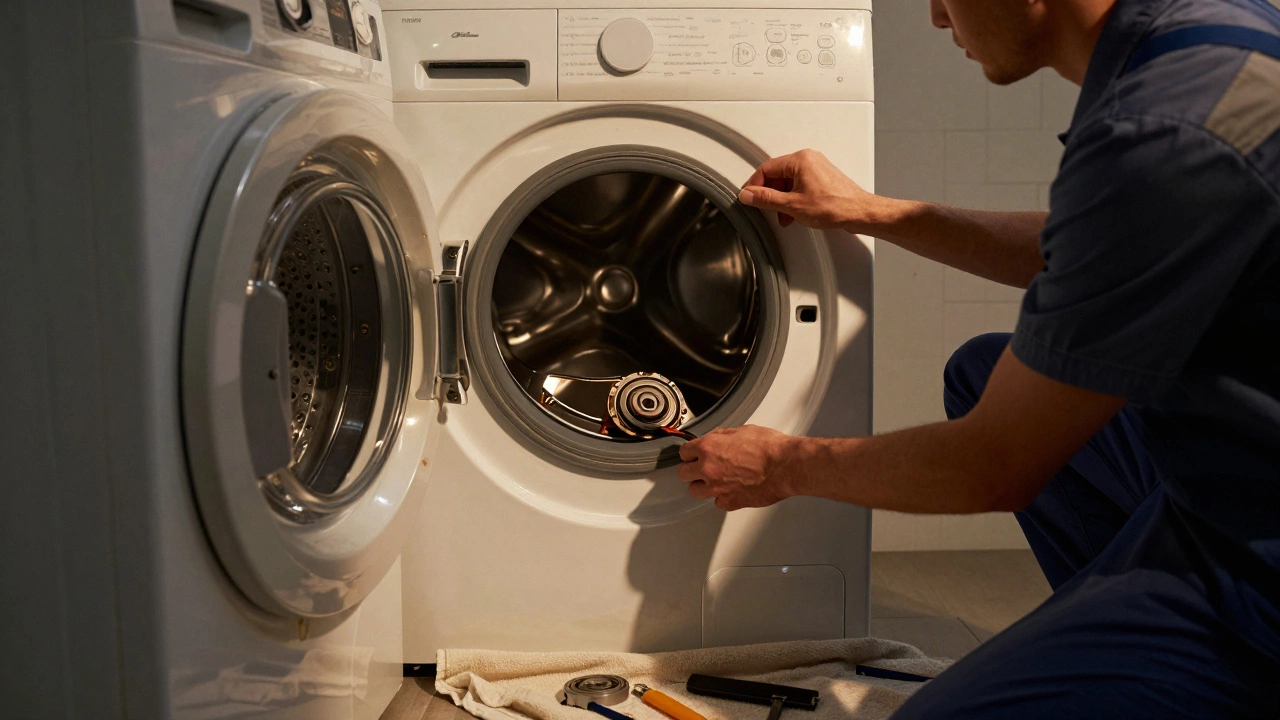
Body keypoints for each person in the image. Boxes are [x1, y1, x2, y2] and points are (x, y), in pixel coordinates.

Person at [677, 0, 1280, 715]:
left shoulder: (1160, 131)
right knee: (982, 369)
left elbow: (992, 466)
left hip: (1254, 554)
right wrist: (869, 210)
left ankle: (1191, 665)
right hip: (1235, 472)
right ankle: (1122, 645)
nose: (935, 17)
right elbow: (1095, 244)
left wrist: (782, 465)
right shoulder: (1204, 31)